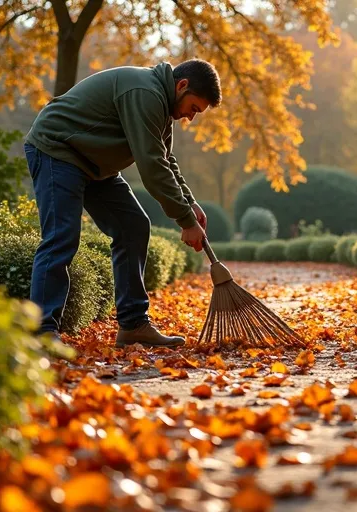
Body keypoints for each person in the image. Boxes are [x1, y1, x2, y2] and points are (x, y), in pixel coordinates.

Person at [23, 59, 221, 348]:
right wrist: (185, 221)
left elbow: (165, 159)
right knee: (61, 237)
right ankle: (41, 332)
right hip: (58, 149)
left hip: (93, 163)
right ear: (182, 86)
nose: (190, 117)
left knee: (133, 226)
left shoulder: (163, 106)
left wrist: (190, 204)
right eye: (193, 108)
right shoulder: (146, 93)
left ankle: (133, 325)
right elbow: (152, 168)